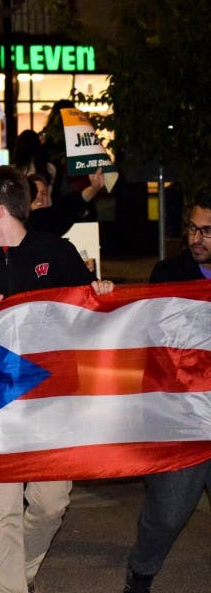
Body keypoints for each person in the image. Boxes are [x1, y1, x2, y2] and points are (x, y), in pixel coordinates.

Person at [0, 166, 115, 593]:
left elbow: (89, 320)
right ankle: (7, 588)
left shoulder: (57, 252)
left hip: (50, 407)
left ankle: (20, 574)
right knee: (0, 513)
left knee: (50, 504)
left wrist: (106, 295)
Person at [123, 191, 211, 593]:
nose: (197, 238)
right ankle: (140, 575)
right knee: (167, 513)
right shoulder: (168, 274)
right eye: (193, 228)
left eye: (207, 231)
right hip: (182, 418)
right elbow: (145, 336)